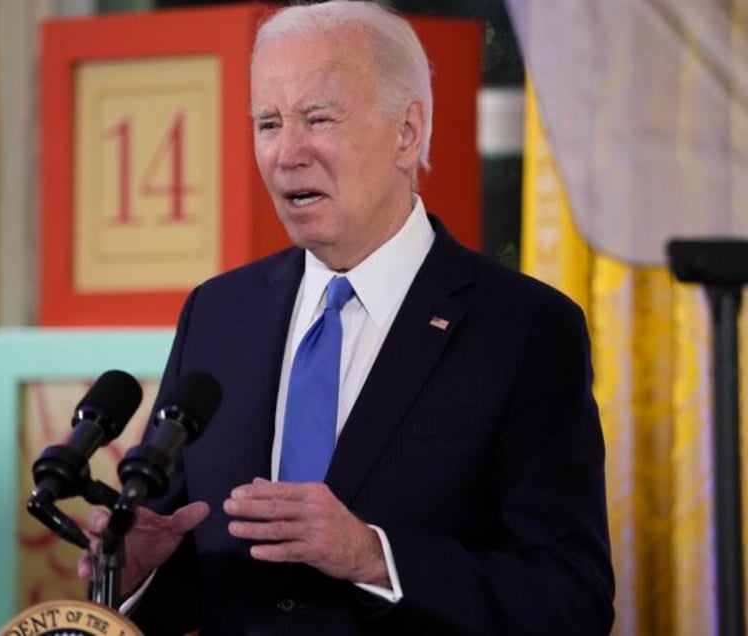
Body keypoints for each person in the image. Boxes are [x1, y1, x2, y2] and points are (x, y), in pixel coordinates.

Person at [78, 1, 615, 633]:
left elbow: (571, 601)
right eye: (268, 123)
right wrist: (136, 574)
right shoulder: (219, 314)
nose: (287, 154)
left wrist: (372, 556)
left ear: (406, 132)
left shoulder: (523, 330)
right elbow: (192, 567)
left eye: (319, 118)